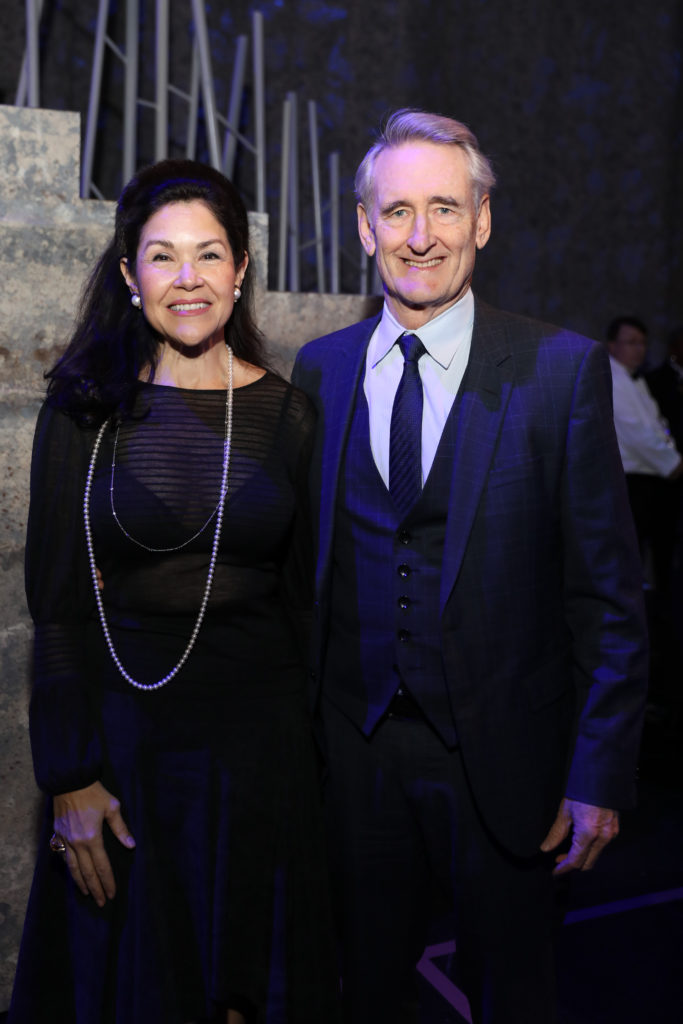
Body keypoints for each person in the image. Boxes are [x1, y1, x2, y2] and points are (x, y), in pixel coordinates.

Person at [292, 109, 648, 1024]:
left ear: (481, 221)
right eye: (398, 210)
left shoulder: (560, 372)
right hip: (355, 760)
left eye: (445, 208)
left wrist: (597, 773)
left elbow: (607, 600)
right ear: (364, 226)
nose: (421, 236)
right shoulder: (319, 372)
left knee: (515, 995)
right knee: (360, 991)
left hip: (507, 764)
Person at [10, 159, 339, 1024]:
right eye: (162, 257)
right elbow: (54, 603)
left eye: (208, 254)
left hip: (262, 759)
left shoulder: (293, 415)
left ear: (239, 271)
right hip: (127, 757)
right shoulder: (83, 409)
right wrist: (70, 775)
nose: (186, 280)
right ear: (128, 275)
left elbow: (305, 605)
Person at [606, 315, 683, 591]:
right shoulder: (612, 378)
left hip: (649, 478)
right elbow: (637, 433)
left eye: (643, 343)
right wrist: (673, 463)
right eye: (631, 342)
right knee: (633, 550)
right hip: (632, 481)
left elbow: (658, 425)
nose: (639, 349)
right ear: (612, 346)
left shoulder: (633, 380)